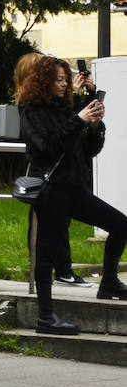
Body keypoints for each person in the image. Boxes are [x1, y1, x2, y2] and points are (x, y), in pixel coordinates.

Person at [18, 55, 127, 336]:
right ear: (44, 82)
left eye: (65, 80)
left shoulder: (67, 107)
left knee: (121, 225)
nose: (63, 84)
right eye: (58, 80)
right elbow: (46, 148)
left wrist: (94, 126)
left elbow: (87, 151)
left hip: (74, 188)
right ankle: (45, 317)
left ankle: (110, 282)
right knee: (45, 252)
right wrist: (77, 120)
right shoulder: (32, 110)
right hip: (50, 189)